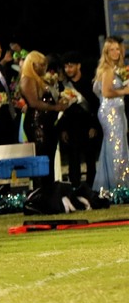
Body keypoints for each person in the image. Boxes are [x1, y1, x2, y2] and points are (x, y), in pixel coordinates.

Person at [20, 51, 69, 198]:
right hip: (37, 123)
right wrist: (55, 108)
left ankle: (49, 192)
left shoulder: (40, 80)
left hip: (47, 122)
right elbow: (34, 103)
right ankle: (41, 194)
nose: (43, 68)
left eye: (44, 65)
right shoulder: (28, 79)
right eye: (40, 65)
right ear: (32, 65)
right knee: (41, 158)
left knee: (49, 156)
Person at [57, 51, 100, 191]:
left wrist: (94, 126)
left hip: (87, 125)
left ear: (78, 66)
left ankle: (91, 189)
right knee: (73, 159)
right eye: (66, 67)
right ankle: (74, 189)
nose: (68, 69)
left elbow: (96, 105)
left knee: (90, 159)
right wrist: (63, 129)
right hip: (71, 126)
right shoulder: (64, 86)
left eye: (71, 66)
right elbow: (62, 110)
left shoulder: (89, 83)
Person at [93, 37, 129, 194]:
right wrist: (124, 91)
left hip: (117, 111)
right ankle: (118, 186)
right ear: (106, 52)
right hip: (111, 113)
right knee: (117, 148)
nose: (115, 52)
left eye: (117, 49)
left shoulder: (116, 69)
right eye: (111, 50)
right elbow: (106, 92)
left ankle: (111, 186)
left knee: (115, 147)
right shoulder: (107, 69)